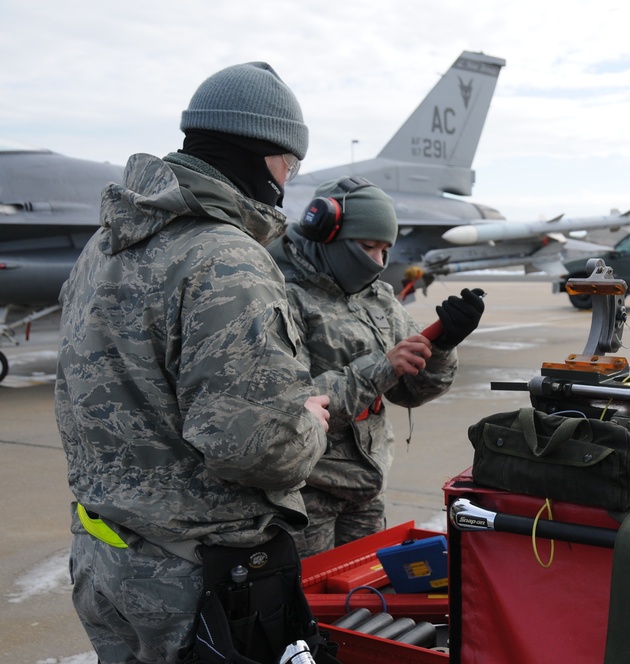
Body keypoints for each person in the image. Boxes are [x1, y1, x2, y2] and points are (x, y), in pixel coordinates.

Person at [55, 62, 332, 663]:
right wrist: (309, 420)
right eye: (291, 162)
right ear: (265, 153)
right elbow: (256, 447)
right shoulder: (224, 258)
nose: (289, 178)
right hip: (195, 582)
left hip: (106, 557)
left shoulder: (103, 246)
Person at [268, 176, 484, 556]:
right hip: (307, 495)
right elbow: (290, 408)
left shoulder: (378, 297)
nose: (379, 263)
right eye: (368, 247)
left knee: (366, 598)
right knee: (312, 602)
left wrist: (443, 344)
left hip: (366, 487)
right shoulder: (283, 296)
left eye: (385, 250)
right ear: (325, 232)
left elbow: (413, 392)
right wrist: (383, 367)